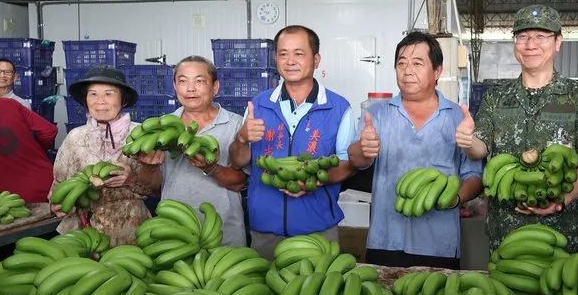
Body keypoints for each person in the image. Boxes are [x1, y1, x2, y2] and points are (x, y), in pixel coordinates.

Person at [456, 4, 578, 252]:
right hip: (505, 230)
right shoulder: (497, 97)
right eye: (522, 36)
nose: (530, 44)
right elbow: (480, 150)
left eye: (541, 36)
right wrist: (468, 140)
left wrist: (562, 201)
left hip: (562, 232)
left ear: (558, 42)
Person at [348, 31, 482, 269]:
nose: (407, 70)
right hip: (385, 239)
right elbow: (357, 161)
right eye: (401, 63)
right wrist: (364, 148)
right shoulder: (377, 114)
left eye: (417, 63)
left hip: (440, 243)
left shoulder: (456, 118)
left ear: (437, 71)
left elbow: (474, 176)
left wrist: (456, 198)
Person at [229, 25, 356, 259]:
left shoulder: (338, 108)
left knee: (317, 291)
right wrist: (242, 138)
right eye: (283, 54)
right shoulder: (258, 105)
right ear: (276, 59)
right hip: (265, 229)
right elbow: (238, 162)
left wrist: (313, 182)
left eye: (299, 53)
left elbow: (347, 164)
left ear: (316, 59)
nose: (290, 61)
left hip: (318, 230)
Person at [135, 56, 247, 247]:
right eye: (183, 81)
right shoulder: (162, 128)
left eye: (199, 81)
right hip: (174, 231)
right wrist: (148, 167)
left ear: (215, 87)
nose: (190, 88)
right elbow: (153, 189)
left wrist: (211, 168)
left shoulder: (237, 125)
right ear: (175, 87)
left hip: (224, 233)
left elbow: (241, 183)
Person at [51, 67, 151, 245]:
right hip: (82, 230)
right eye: (93, 94)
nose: (100, 102)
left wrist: (132, 179)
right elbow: (58, 186)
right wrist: (57, 204)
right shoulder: (75, 137)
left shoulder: (141, 135)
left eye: (109, 94)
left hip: (130, 229)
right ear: (85, 99)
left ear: (123, 99)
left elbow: (155, 187)